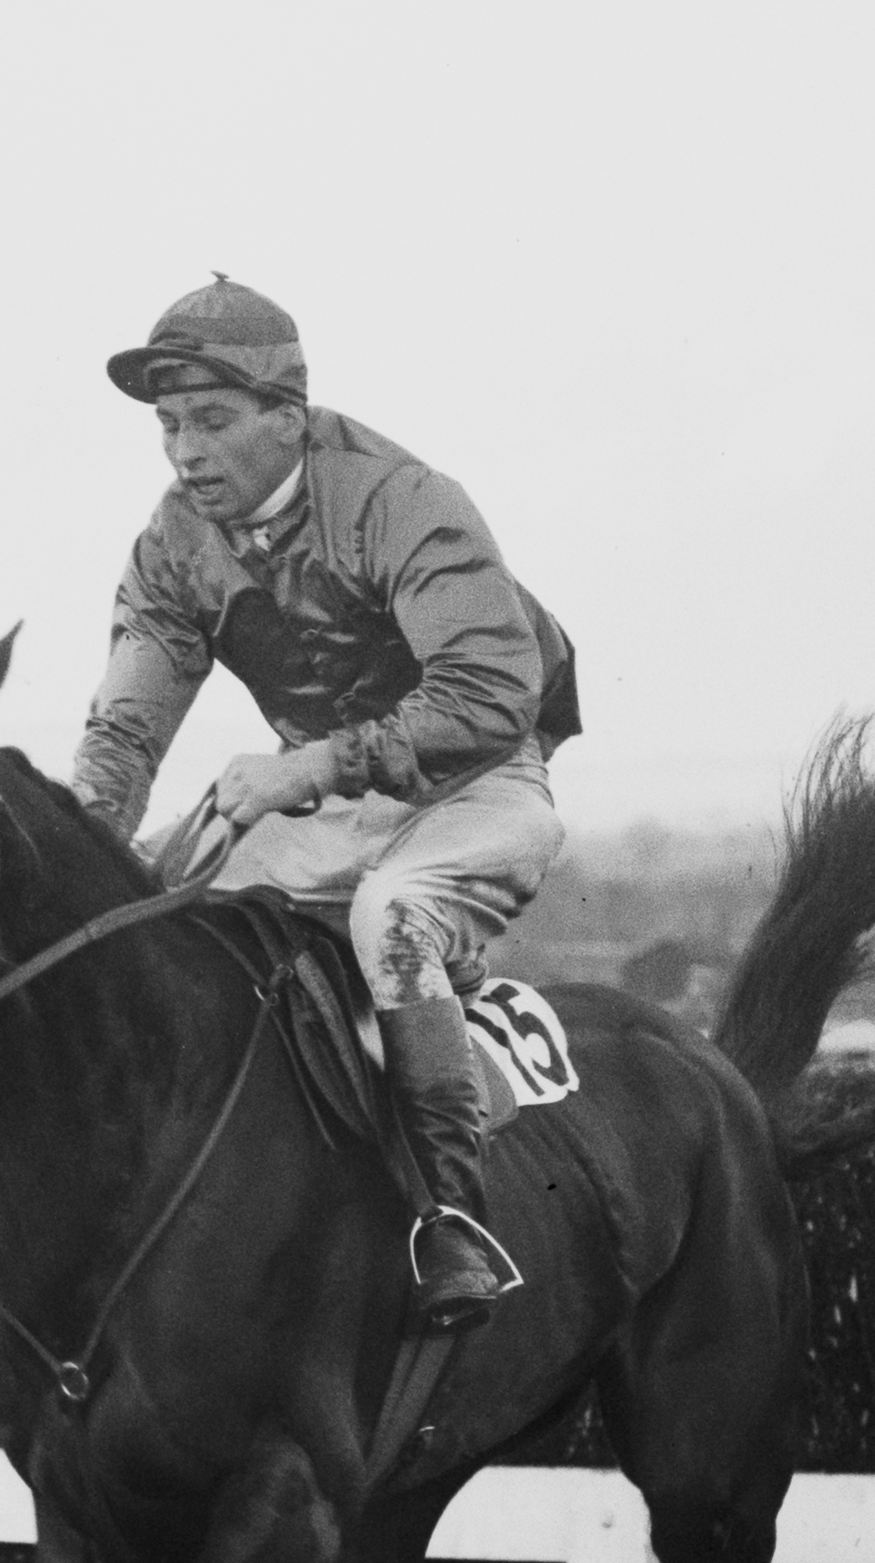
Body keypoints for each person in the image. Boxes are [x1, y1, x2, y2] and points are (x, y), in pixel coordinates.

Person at [74, 273, 577, 1330]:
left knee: (389, 917)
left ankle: (453, 1218)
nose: (185, 452)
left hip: (480, 782)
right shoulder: (174, 547)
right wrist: (82, 852)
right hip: (334, 806)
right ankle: (22, 1202)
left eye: (211, 422)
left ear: (287, 420)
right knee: (149, 925)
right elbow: (126, 732)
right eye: (168, 427)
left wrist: (307, 770)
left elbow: (490, 695)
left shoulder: (401, 501)